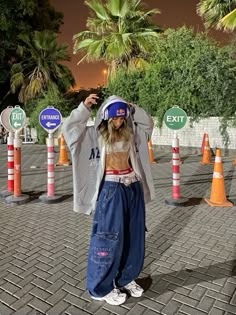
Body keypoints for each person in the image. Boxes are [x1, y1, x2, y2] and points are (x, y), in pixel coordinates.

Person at [62, 94, 155, 305]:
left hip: (133, 187)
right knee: (107, 238)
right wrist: (83, 108)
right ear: (105, 117)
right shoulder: (92, 136)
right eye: (115, 118)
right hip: (110, 190)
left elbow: (148, 123)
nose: (119, 121)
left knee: (135, 236)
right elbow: (68, 129)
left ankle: (126, 278)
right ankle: (100, 287)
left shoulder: (132, 133)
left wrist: (132, 107)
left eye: (122, 117)